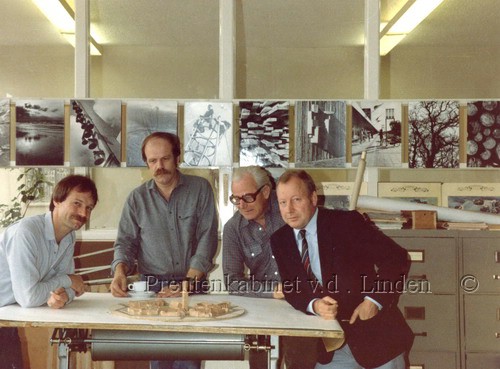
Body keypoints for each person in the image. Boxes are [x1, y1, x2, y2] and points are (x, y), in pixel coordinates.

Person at [270, 170, 414, 369]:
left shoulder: (346, 223)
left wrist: (374, 300)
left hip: (377, 340)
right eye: (282, 202)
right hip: (330, 347)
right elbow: (292, 288)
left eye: (296, 199)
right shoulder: (280, 240)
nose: (289, 210)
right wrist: (315, 304)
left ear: (313, 198)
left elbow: (395, 258)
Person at [110, 132, 218, 369]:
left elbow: (207, 239)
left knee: (188, 362)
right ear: (147, 163)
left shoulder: (200, 189)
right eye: (152, 161)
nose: (159, 166)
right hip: (152, 290)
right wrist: (119, 272)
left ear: (177, 158)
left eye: (165, 159)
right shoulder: (136, 199)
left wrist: (187, 283)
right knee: (159, 361)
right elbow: (126, 242)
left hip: (192, 286)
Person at [222, 166, 318, 369]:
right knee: (259, 362)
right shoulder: (233, 229)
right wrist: (270, 292)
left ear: (265, 192)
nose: (242, 205)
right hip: (262, 304)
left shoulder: (288, 211)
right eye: (236, 199)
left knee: (301, 362)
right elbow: (232, 282)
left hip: (301, 302)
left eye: (248, 197)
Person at [0, 174, 98, 369]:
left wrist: (59, 295)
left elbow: (72, 291)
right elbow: (29, 297)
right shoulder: (26, 232)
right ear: (56, 201)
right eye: (77, 204)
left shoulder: (69, 236)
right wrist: (66, 280)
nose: (83, 213)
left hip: (8, 317)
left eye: (88, 208)